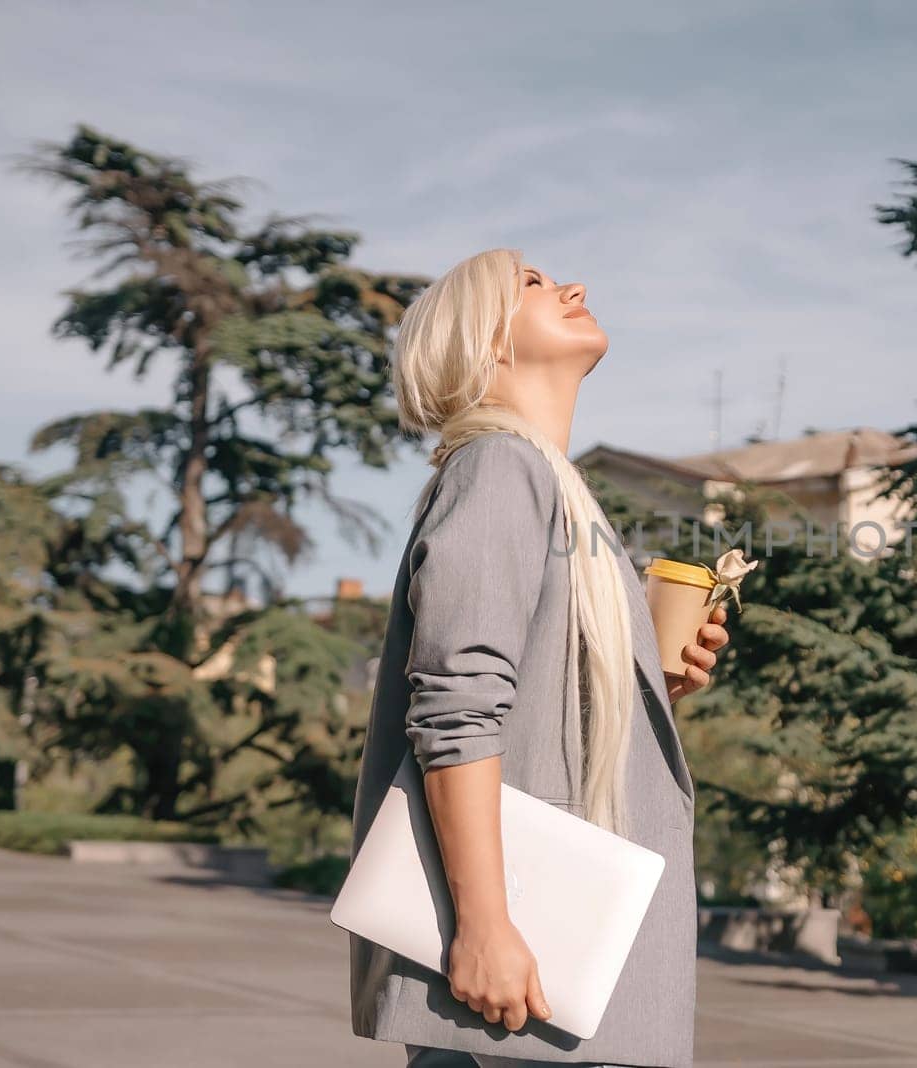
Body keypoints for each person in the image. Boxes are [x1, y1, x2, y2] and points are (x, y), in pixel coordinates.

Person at [346, 248, 727, 1067]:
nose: (574, 286)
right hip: (526, 958)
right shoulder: (500, 468)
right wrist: (485, 928)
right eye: (532, 283)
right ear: (479, 343)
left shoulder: (550, 486)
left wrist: (650, 684)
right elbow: (454, 709)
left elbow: (519, 711)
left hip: (541, 956)